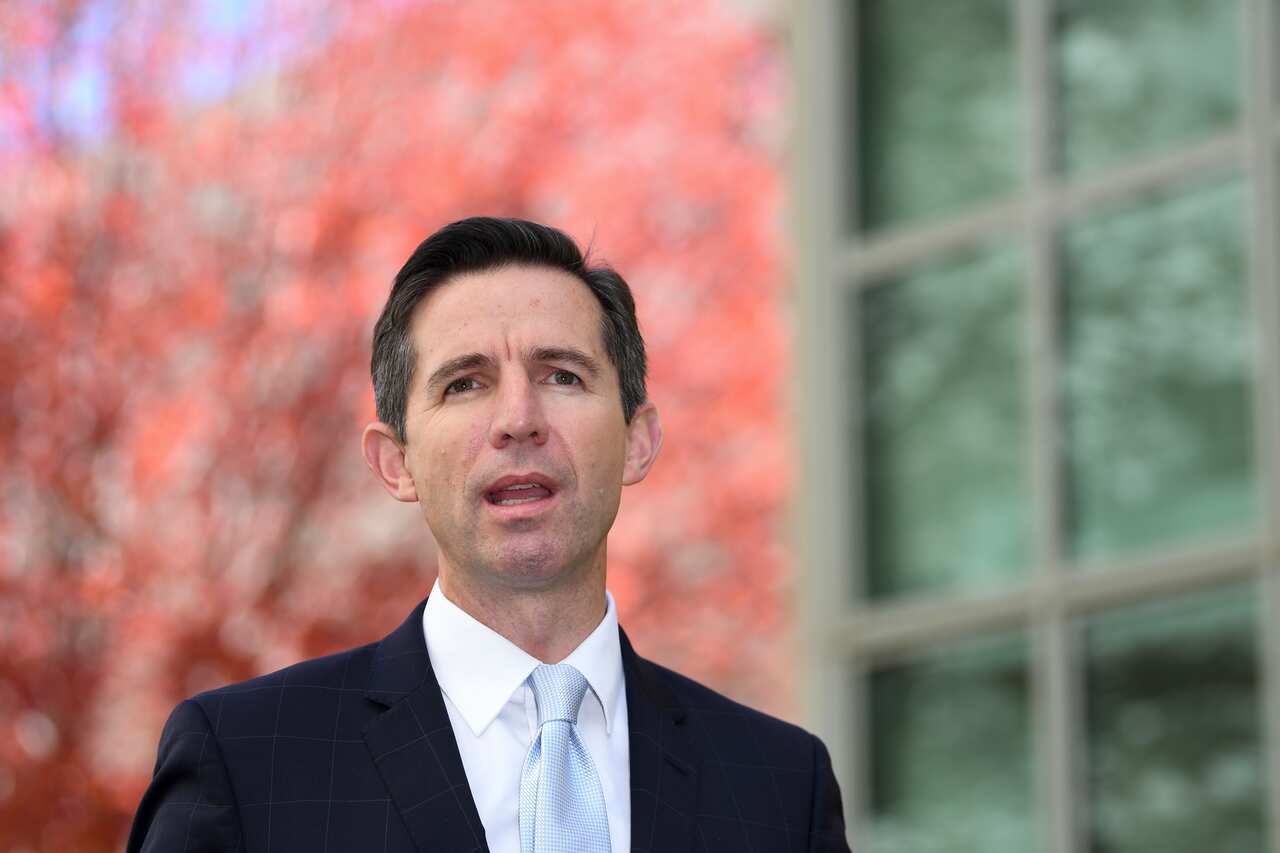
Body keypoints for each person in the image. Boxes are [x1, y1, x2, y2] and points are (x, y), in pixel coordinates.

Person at [127, 217, 850, 852]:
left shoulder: (781, 786)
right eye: (464, 384)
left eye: (562, 375)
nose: (518, 418)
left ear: (637, 440)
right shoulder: (248, 762)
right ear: (396, 461)